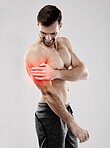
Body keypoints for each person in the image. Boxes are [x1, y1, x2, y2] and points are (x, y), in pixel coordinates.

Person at [25, 5, 89, 148]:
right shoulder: (35, 52)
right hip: (49, 113)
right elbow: (48, 93)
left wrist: (56, 73)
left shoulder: (65, 43)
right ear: (37, 24)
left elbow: (84, 73)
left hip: (66, 109)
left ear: (60, 25)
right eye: (43, 33)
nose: (48, 38)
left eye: (53, 33)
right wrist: (73, 124)